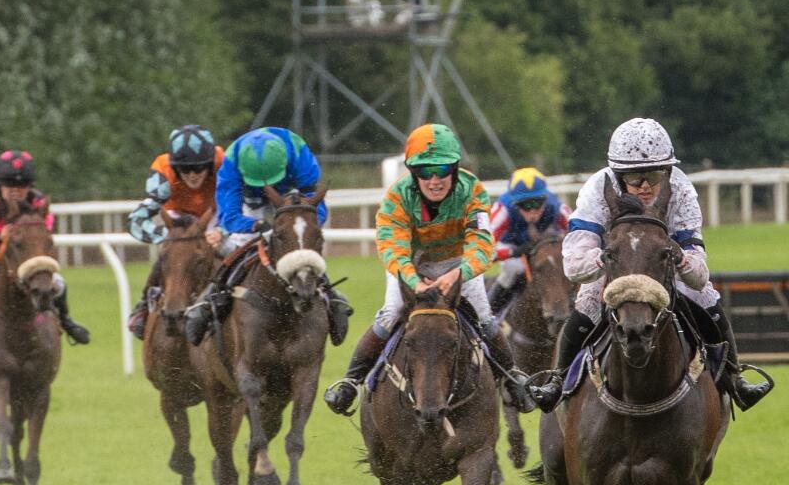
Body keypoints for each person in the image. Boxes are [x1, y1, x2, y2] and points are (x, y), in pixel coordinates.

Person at [529, 117, 773, 412]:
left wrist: (680, 257)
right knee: (589, 301)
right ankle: (557, 379)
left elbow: (699, 274)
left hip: (664, 263)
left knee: (704, 295)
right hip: (614, 266)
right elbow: (574, 267)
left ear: (668, 172)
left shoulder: (681, 189)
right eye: (635, 178)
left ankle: (735, 380)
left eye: (655, 175)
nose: (645, 186)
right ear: (618, 176)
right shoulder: (596, 191)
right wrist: (606, 256)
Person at [323, 123, 535, 416]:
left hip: (458, 262)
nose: (434, 180)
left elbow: (482, 244)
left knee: (486, 319)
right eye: (425, 172)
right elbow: (392, 248)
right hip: (411, 264)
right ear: (413, 173)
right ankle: (350, 381)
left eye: (443, 170)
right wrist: (413, 281)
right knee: (391, 312)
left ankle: (513, 378)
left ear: (455, 169)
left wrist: (458, 274)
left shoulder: (472, 190)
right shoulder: (396, 198)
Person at [184, 126, 352, 347]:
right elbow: (230, 218)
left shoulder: (299, 154)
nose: (267, 185)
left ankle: (330, 296)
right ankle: (213, 295)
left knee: (300, 244)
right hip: (251, 204)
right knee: (239, 244)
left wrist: (294, 229)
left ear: (284, 164)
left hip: (292, 199)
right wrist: (258, 225)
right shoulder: (231, 164)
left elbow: (317, 210)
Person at [126, 125, 226, 339]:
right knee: (173, 254)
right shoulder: (163, 169)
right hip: (179, 217)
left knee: (230, 249)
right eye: (185, 169)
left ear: (209, 164)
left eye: (198, 168)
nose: (191, 175)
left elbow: (238, 203)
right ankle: (144, 303)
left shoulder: (225, 163)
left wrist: (222, 230)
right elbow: (136, 221)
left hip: (217, 213)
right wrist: (171, 238)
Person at [0, 150, 90, 345]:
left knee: (58, 283)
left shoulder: (38, 202)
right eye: (9, 186)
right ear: (0, 185)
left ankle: (65, 320)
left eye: (21, 186)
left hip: (24, 257)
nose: (15, 191)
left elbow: (45, 228)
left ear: (29, 187)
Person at [487, 167, 571, 315]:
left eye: (537, 203)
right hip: (512, 245)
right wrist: (512, 252)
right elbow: (483, 250)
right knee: (514, 268)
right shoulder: (502, 211)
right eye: (525, 205)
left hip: (544, 244)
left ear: (545, 199)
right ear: (514, 203)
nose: (532, 210)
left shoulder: (557, 207)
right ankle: (490, 315)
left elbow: (581, 233)